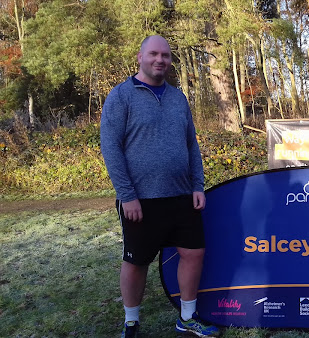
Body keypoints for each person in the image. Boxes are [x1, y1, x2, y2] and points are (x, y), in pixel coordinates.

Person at [100, 35, 218, 338]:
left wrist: (197, 185)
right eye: (153, 54)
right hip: (141, 200)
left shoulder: (178, 98)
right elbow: (111, 149)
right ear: (140, 57)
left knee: (193, 253)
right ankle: (131, 322)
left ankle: (187, 317)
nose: (160, 60)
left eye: (165, 55)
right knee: (137, 261)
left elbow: (191, 145)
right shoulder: (121, 96)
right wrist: (128, 196)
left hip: (181, 196)